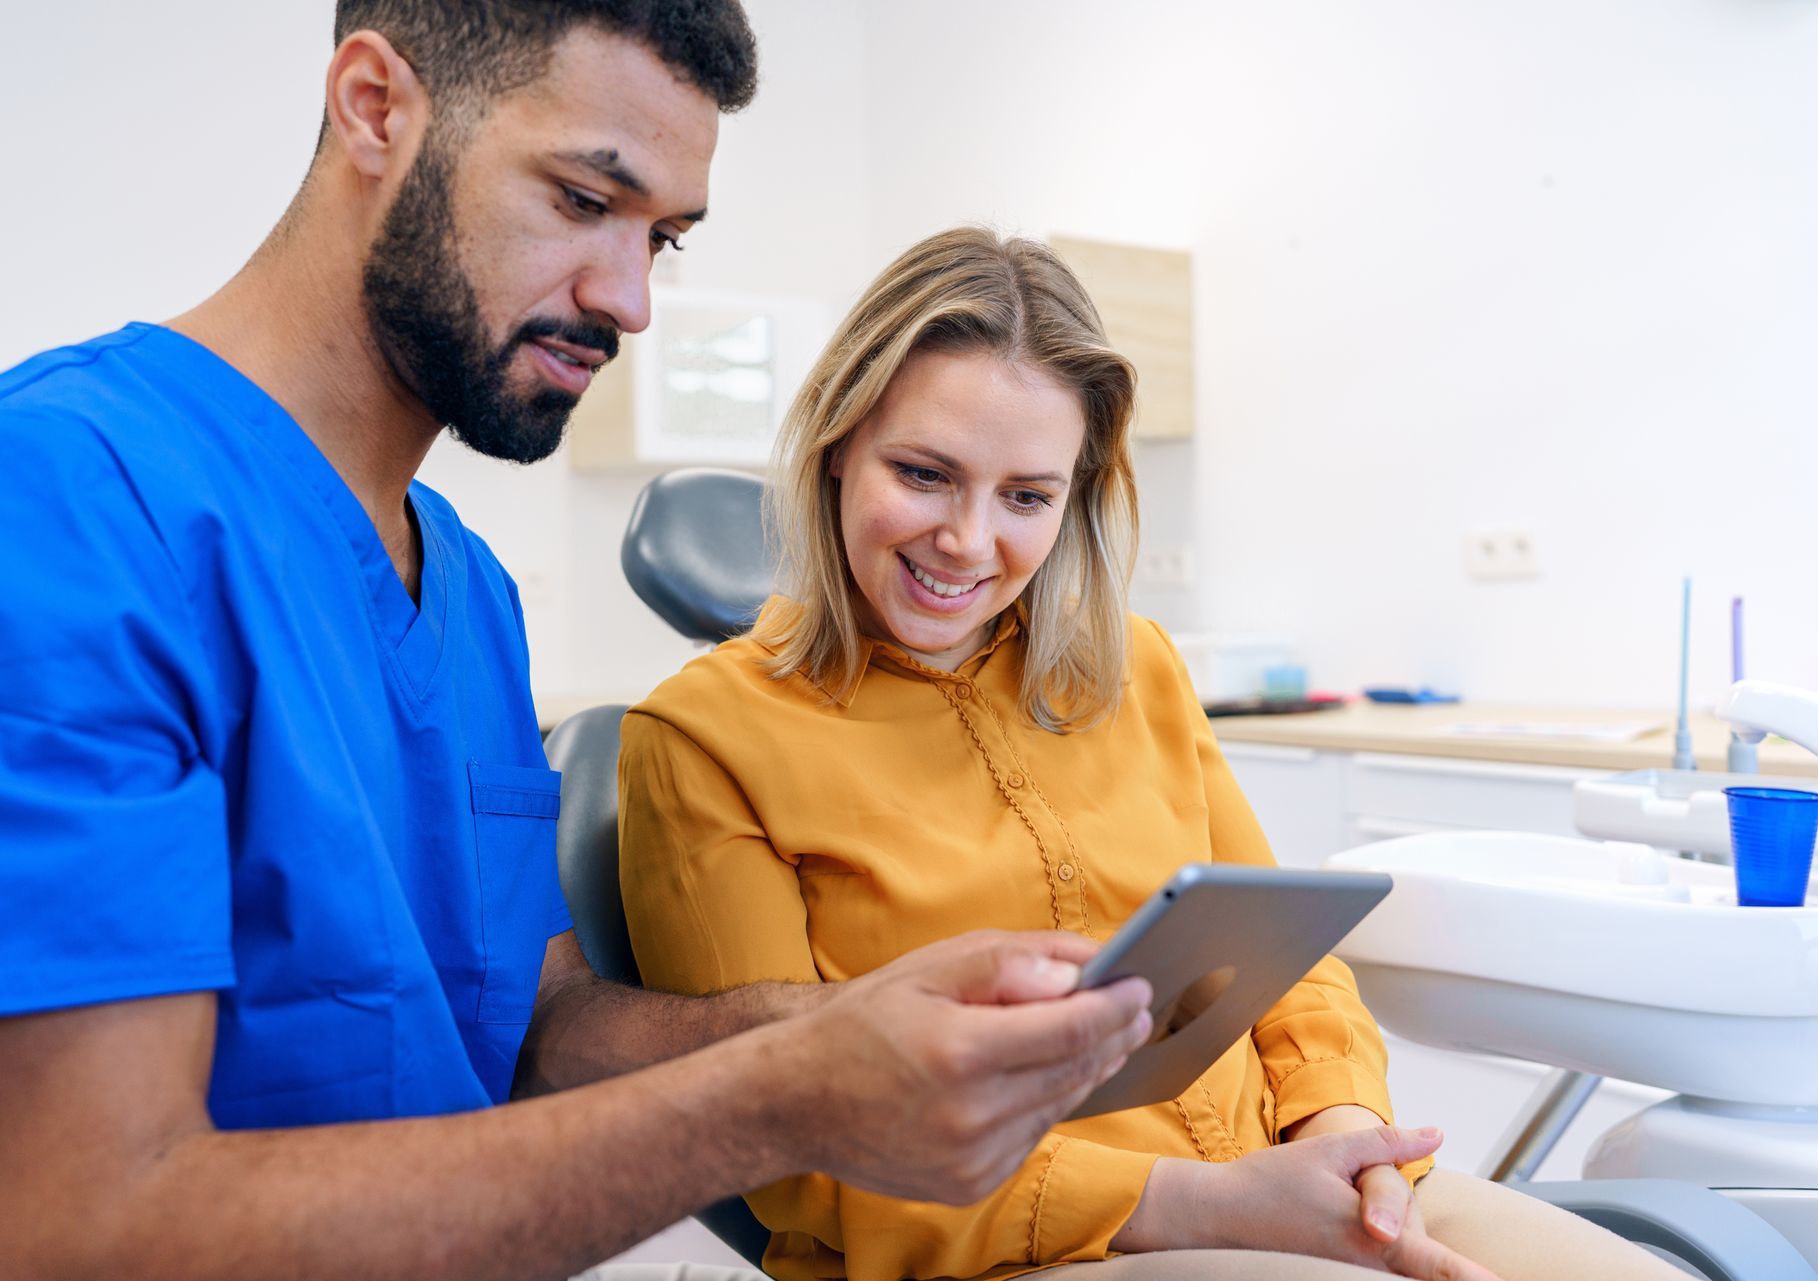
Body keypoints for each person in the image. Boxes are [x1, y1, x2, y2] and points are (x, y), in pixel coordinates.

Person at [0, 8, 1171, 1281]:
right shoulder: (66, 503)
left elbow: (539, 1028)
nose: (629, 299)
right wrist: (781, 1096)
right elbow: (81, 1219)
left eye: (661, 238)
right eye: (580, 200)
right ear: (376, 106)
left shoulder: (465, 592)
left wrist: (852, 1025)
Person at [618, 227, 1694, 1281]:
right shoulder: (703, 740)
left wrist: (1346, 1131)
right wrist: (1202, 1206)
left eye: (1027, 497)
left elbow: (1285, 959)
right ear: (838, 445)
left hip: (1274, 1182)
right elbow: (787, 1147)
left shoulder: (1133, 667)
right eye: (926, 473)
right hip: (989, 1252)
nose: (968, 541)